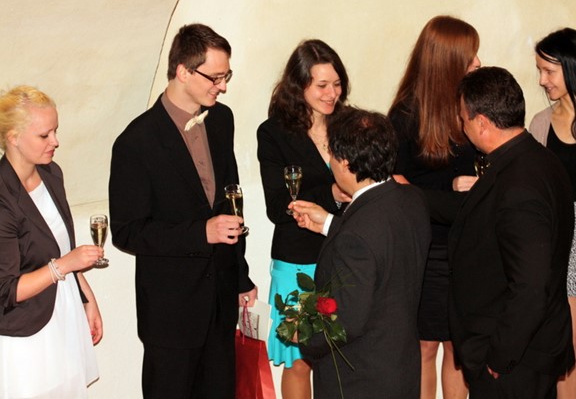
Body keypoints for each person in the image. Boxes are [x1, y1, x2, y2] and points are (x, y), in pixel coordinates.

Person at [109, 24, 256, 398]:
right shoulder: (135, 142)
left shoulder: (222, 119)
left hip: (221, 301)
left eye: (226, 76)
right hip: (171, 313)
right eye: (215, 77)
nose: (223, 86)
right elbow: (127, 232)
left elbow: (231, 202)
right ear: (183, 72)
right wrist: (200, 233)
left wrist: (241, 277)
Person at [426, 66, 575, 398]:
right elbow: (474, 210)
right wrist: (407, 195)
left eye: (463, 118)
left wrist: (500, 356)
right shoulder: (536, 158)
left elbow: (530, 285)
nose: (462, 126)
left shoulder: (519, 183)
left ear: (482, 122)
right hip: (527, 351)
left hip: (515, 360)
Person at [290, 106, 431, 398]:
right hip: (400, 369)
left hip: (359, 379)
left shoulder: (357, 235)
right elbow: (381, 249)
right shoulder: (411, 199)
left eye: (331, 155)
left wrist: (302, 333)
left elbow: (345, 321)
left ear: (344, 162)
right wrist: (329, 224)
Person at [387, 15, 480, 399]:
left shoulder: (472, 106)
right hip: (425, 249)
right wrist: (449, 189)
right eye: (470, 58)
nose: (478, 64)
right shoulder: (406, 114)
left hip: (467, 246)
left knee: (460, 349)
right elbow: (394, 184)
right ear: (447, 63)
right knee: (425, 346)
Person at [256, 38, 351, 399]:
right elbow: (278, 205)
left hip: (346, 254)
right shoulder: (274, 133)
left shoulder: (350, 125)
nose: (332, 94)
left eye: (337, 84)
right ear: (299, 86)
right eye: (322, 85)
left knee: (342, 356)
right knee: (299, 361)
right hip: (298, 260)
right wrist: (331, 195)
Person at [0, 85, 103, 398]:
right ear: (13, 137)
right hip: (25, 334)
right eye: (44, 135)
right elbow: (7, 290)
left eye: (55, 131)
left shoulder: (51, 174)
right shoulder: (3, 197)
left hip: (64, 312)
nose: (55, 141)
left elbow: (62, 247)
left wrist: (87, 298)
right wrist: (63, 266)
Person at [529, 28, 576, 399]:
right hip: (564, 236)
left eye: (549, 71)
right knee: (567, 346)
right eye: (540, 71)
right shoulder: (541, 123)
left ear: (572, 67)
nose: (542, 80)